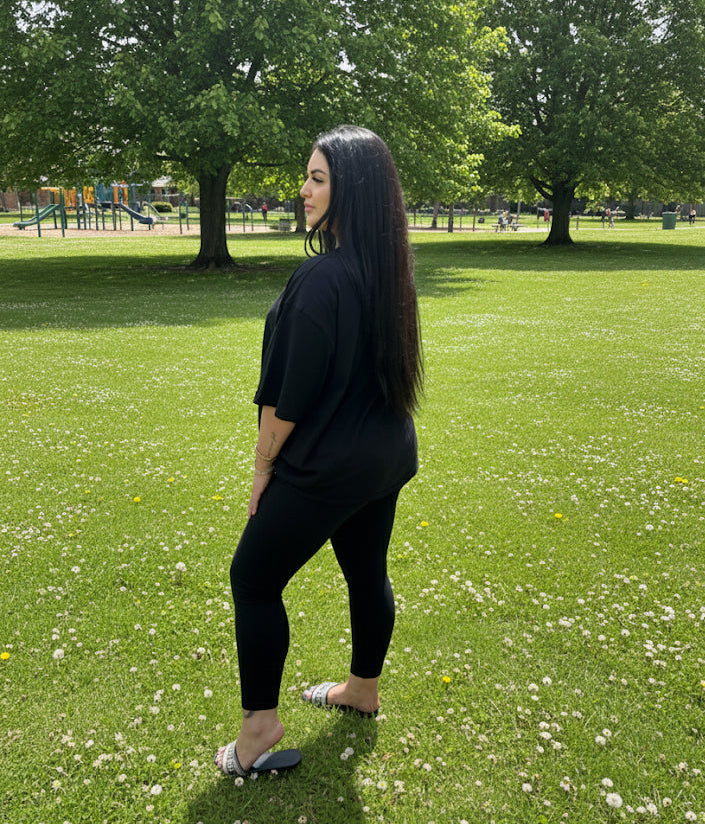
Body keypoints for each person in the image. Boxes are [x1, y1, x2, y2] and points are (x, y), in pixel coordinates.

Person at [214, 125, 423, 778]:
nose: (302, 190)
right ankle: (361, 689)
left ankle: (258, 729)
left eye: (317, 178)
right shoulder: (387, 273)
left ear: (351, 190)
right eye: (306, 176)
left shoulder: (320, 279)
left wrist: (262, 469)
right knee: (366, 571)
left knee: (253, 578)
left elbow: (285, 399)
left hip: (331, 466)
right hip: (384, 458)